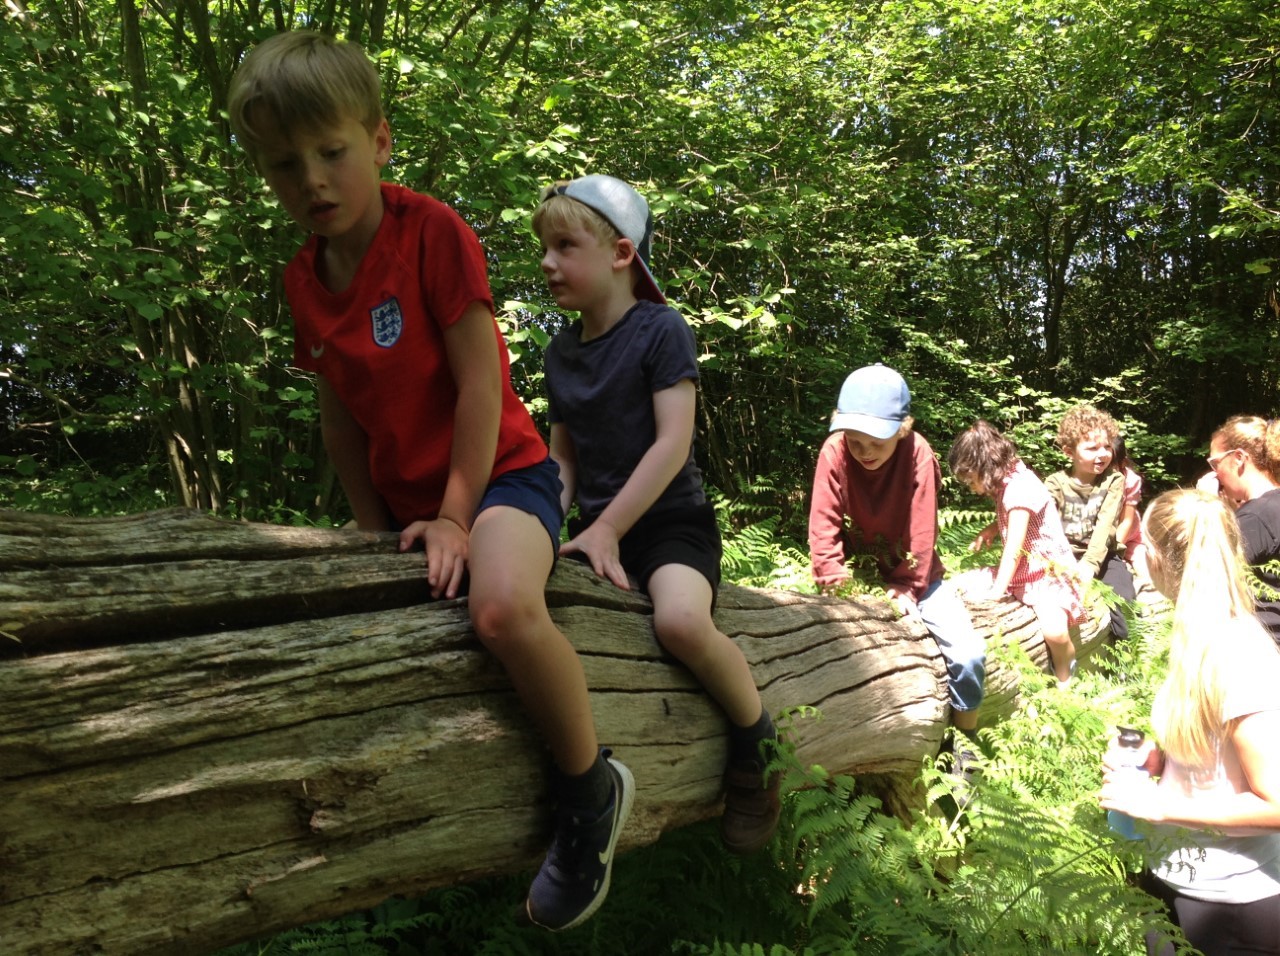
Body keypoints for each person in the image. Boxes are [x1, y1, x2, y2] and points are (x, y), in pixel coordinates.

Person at [227, 33, 631, 932]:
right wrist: (371, 531)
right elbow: (341, 414)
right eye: (285, 165)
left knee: (499, 611)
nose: (314, 181)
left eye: (332, 152)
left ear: (378, 141)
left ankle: (590, 789)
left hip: (506, 481)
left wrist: (456, 514)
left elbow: (482, 381)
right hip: (408, 508)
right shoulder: (304, 279)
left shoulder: (429, 232)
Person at [532, 175, 781, 855]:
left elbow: (674, 443)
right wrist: (542, 529)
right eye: (541, 247)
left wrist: (611, 526)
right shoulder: (559, 353)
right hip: (595, 532)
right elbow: (563, 463)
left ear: (619, 253)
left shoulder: (660, 330)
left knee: (676, 620)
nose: (547, 262)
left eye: (564, 245)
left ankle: (759, 747)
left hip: (671, 524)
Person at [1099, 489, 1280, 956]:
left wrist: (1161, 806)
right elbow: (1215, 758)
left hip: (1234, 906)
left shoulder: (1239, 651)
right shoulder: (1198, 634)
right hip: (1177, 881)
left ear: (1155, 556)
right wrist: (1158, 762)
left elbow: (1275, 805)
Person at [808, 365, 986, 776]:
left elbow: (922, 531)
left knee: (969, 655)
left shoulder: (918, 453)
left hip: (917, 577)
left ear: (903, 430)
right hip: (857, 576)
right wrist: (833, 580)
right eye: (856, 440)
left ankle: (964, 747)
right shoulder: (834, 450)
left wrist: (908, 586)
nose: (864, 450)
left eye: (876, 441)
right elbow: (824, 521)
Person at [948, 421, 1087, 687]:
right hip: (1023, 572)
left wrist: (997, 592)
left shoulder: (1019, 487)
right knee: (958, 585)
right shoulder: (1009, 479)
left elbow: (1013, 549)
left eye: (970, 480)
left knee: (1056, 632)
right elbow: (1016, 520)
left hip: (1047, 576)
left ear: (984, 468)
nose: (971, 487)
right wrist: (991, 528)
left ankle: (1067, 678)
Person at [1043, 405, 1137, 640]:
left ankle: (1124, 663)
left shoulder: (1113, 480)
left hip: (1103, 556)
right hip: (1064, 557)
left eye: (1106, 446)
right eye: (1092, 448)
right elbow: (1045, 527)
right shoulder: (1055, 483)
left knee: (1124, 603)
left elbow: (1105, 527)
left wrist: (1088, 566)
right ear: (1069, 452)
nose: (1102, 454)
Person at [1205, 415, 1280, 643]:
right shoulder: (1266, 510)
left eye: (1215, 463)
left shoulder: (1256, 518)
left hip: (1267, 649)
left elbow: (1205, 576)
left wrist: (1206, 507)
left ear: (1238, 458)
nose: (1215, 474)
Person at [1112, 432, 1145, 569]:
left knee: (1145, 564)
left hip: (1131, 537)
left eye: (1110, 466)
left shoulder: (1130, 481)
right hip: (1100, 538)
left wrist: (1113, 553)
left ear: (1123, 463)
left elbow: (1127, 521)